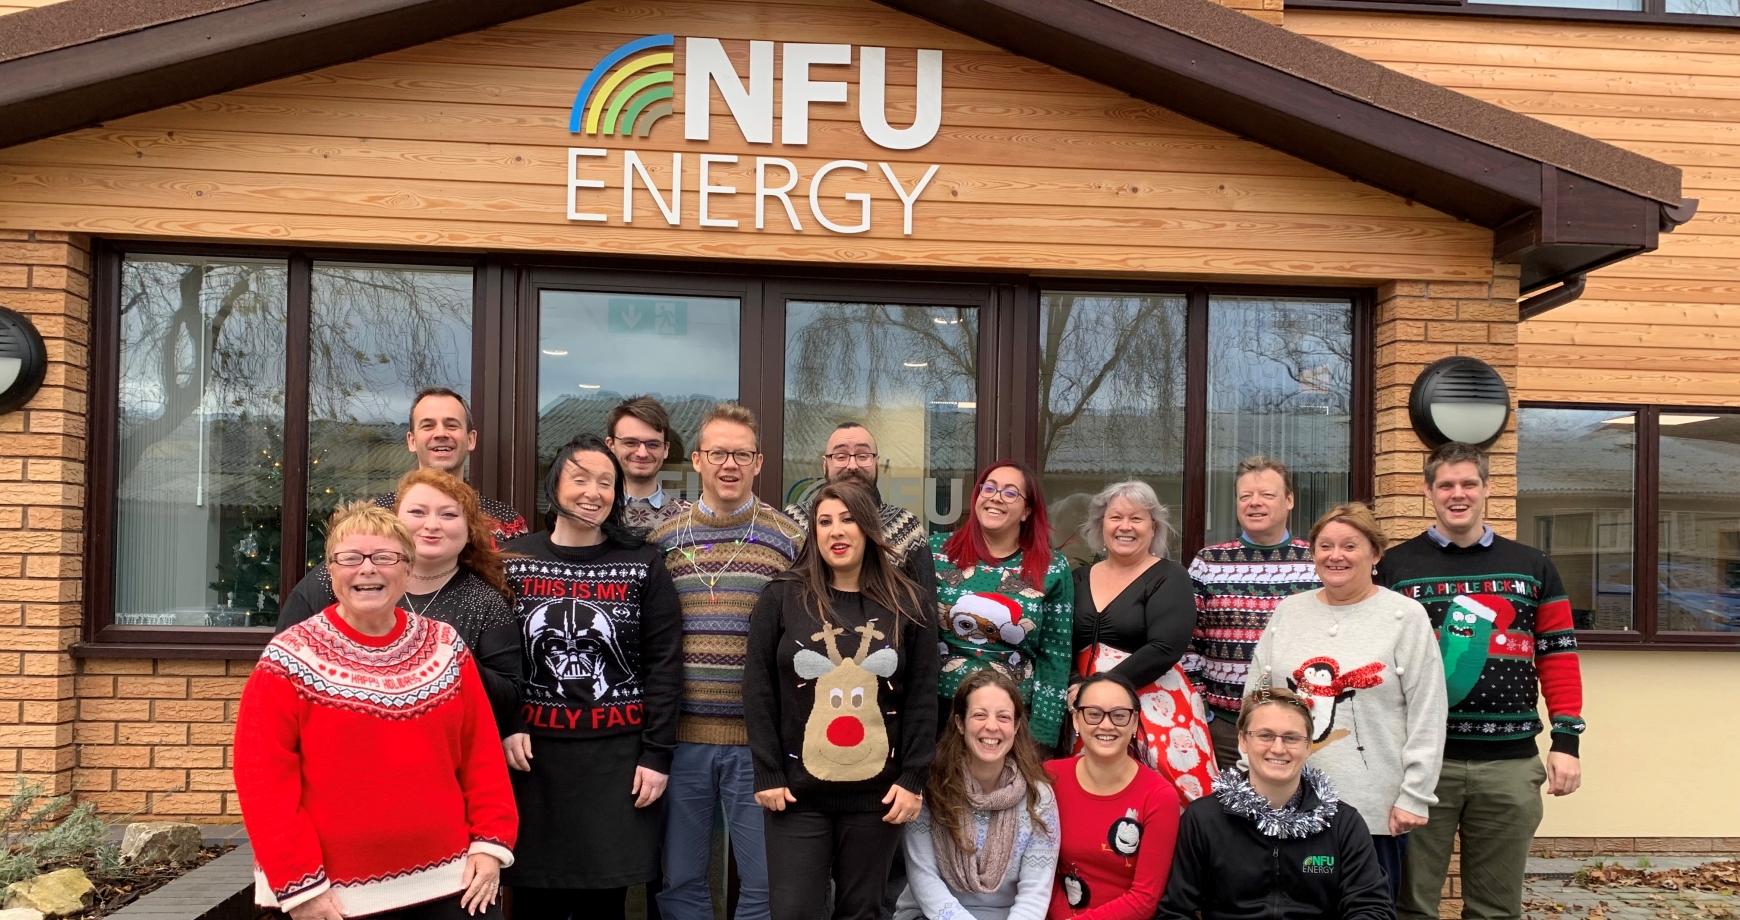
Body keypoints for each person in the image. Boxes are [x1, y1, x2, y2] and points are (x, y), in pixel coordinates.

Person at [234, 502, 517, 920]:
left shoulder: (446, 645)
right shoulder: (289, 657)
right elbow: (263, 779)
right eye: (351, 558)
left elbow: (481, 753)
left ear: (407, 570)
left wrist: (491, 845)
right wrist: (299, 885)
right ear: (330, 571)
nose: (368, 569)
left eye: (385, 557)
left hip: (453, 885)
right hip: (335, 897)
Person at [1376, 441, 1586, 920]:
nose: (1458, 493)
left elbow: (1557, 657)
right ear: (1428, 491)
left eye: (1469, 483)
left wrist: (1567, 741)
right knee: (1410, 905)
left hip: (1509, 766)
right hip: (1421, 765)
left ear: (1488, 488)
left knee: (1495, 908)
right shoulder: (1395, 569)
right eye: (1446, 484)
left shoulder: (1533, 567)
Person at [497, 435, 684, 920]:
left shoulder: (644, 565)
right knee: (533, 902)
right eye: (580, 478)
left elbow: (664, 665)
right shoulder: (511, 563)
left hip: (617, 767)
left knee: (606, 905)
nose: (592, 492)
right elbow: (496, 659)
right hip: (533, 765)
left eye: (606, 482)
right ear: (555, 485)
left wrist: (656, 754)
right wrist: (509, 723)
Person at [745, 481, 938, 920]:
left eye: (849, 520)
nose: (837, 531)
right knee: (793, 912)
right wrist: (768, 770)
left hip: (878, 799)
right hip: (794, 796)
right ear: (812, 533)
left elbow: (923, 696)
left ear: (869, 529)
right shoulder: (780, 597)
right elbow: (757, 688)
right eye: (825, 522)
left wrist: (913, 778)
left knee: (863, 912)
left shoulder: (908, 603)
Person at [647, 403, 805, 920]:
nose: (729, 464)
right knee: (680, 880)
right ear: (697, 460)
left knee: (763, 884)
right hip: (681, 739)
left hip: (758, 743)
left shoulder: (789, 539)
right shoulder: (663, 539)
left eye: (741, 454)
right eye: (718, 453)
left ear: (758, 462)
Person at [1245, 502, 1447, 902]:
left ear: (1374, 554)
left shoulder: (1405, 616)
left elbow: (1429, 709)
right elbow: (1256, 699)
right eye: (1325, 545)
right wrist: (1251, 783)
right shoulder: (1289, 612)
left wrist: (1415, 794)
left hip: (1373, 808)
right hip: (1289, 805)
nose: (1336, 555)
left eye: (1350, 546)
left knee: (1365, 909)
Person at [275, 468, 519, 724]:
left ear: (470, 530)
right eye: (417, 512)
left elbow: (508, 700)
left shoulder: (485, 601)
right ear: (395, 522)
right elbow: (283, 674)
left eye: (448, 514)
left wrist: (450, 657)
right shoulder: (339, 579)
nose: (432, 525)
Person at [1157, 688, 1394, 920]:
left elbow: (1373, 907)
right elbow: (1175, 911)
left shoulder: (1343, 823)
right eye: (1265, 735)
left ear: (1308, 746)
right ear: (1242, 740)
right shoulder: (1204, 819)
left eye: (1291, 738)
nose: (1278, 748)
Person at [1068, 481, 1213, 802]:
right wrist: (1079, 686)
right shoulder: (1077, 579)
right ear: (1100, 524)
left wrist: (1098, 690)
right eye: (1115, 517)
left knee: (1168, 801)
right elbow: (1061, 642)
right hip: (1089, 711)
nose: (1125, 526)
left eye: (1137, 518)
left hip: (1155, 708)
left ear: (1153, 527)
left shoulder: (1170, 576)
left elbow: (1165, 647)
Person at [1187, 457, 1320, 771]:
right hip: (1225, 729)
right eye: (1245, 496)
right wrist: (1202, 708)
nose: (1254, 503)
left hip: (1298, 732)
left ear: (1289, 500)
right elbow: (1188, 642)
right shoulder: (1209, 562)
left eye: (1266, 495)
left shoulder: (1316, 562)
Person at [934, 461, 1074, 752]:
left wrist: (1041, 738)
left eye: (1010, 493)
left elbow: (1055, 656)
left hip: (1011, 722)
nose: (995, 497)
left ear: (1026, 511)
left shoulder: (1051, 566)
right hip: (940, 716)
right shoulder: (936, 553)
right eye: (989, 488)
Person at [898, 669, 1059, 920]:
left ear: (1016, 726)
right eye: (979, 715)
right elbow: (924, 879)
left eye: (1004, 717)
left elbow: (1034, 894)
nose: (992, 726)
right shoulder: (929, 787)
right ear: (960, 724)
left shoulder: (1039, 797)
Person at [1044, 672, 1178, 920]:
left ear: (1135, 722)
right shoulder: (1050, 778)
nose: (1106, 725)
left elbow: (1145, 898)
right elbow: (1038, 874)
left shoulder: (1159, 797)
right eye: (1093, 714)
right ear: (1076, 719)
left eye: (1119, 715)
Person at [784, 422, 933, 588]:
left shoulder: (907, 527)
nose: (853, 465)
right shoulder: (792, 522)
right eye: (841, 456)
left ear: (876, 462)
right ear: (825, 464)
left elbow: (924, 607)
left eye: (863, 456)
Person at [374, 387, 528, 544]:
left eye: (451, 425)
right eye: (428, 426)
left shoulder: (506, 522)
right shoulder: (378, 515)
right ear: (411, 441)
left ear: (471, 439)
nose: (441, 433)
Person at [608, 395, 691, 535]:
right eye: (630, 442)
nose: (642, 453)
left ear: (665, 449)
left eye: (653, 444)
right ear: (611, 445)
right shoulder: (594, 511)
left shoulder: (689, 517)